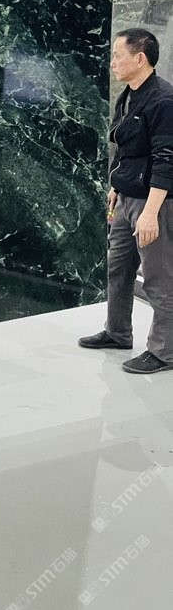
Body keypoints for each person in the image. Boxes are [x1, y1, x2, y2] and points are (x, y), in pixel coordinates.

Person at [80, 28, 173, 373]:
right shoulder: (129, 95)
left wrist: (150, 213)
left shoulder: (163, 100)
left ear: (140, 58)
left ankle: (164, 352)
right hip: (126, 200)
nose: (113, 62)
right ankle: (117, 332)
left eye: (118, 55)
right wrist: (116, 186)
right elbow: (126, 147)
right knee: (118, 267)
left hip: (153, 204)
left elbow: (167, 159)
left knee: (159, 279)